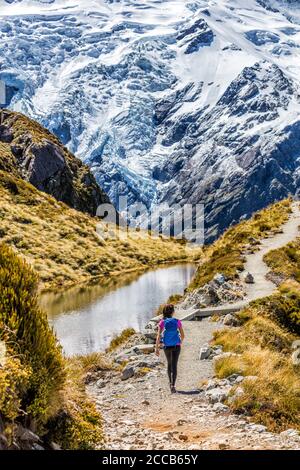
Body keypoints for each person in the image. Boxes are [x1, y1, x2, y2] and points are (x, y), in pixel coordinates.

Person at [155, 304, 185, 393]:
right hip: (176, 346)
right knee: (174, 365)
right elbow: (183, 335)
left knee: (169, 364)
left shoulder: (162, 322)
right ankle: (173, 385)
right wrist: (180, 341)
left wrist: (156, 348)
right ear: (172, 312)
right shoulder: (177, 321)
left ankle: (169, 383)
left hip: (167, 346)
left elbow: (158, 336)